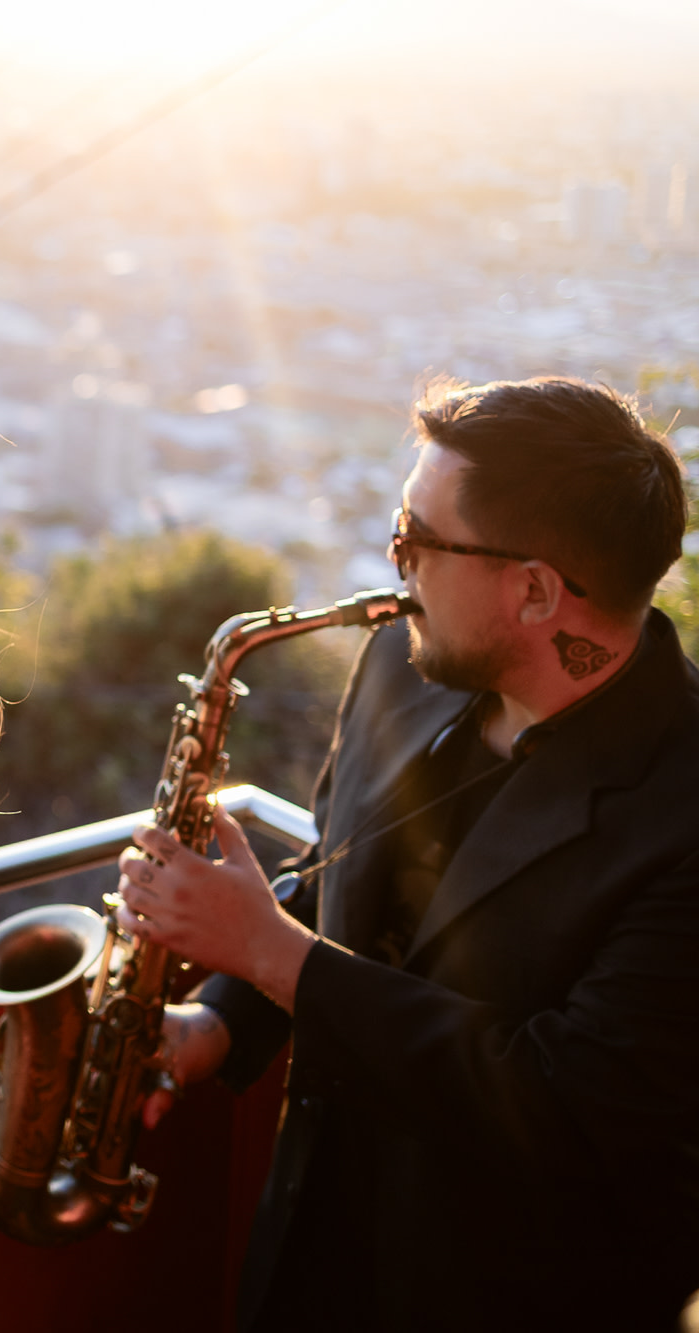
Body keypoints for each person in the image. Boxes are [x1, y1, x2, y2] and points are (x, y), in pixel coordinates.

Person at [114, 377, 699, 1331]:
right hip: (315, 1247)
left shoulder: (685, 812)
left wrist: (265, 952)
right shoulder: (406, 663)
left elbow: (560, 1103)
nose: (394, 564)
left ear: (537, 590)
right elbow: (336, 876)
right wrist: (217, 1021)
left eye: (421, 540)